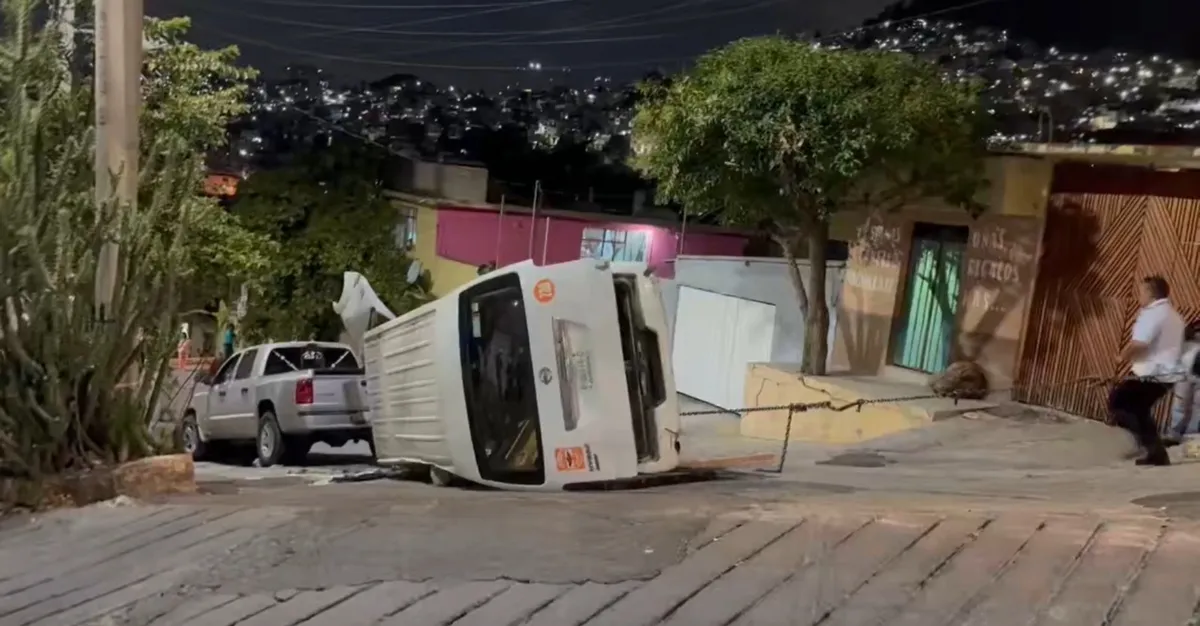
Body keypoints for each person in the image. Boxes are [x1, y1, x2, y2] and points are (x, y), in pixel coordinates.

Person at [1110, 275, 1185, 466]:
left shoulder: (1153, 314)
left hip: (1150, 374)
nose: (1139, 296)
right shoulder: (1174, 315)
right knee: (1138, 409)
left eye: (1141, 292)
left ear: (1151, 293)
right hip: (1165, 375)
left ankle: (1146, 445)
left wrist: (1121, 357)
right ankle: (1156, 452)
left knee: (1119, 403)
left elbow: (1140, 344)